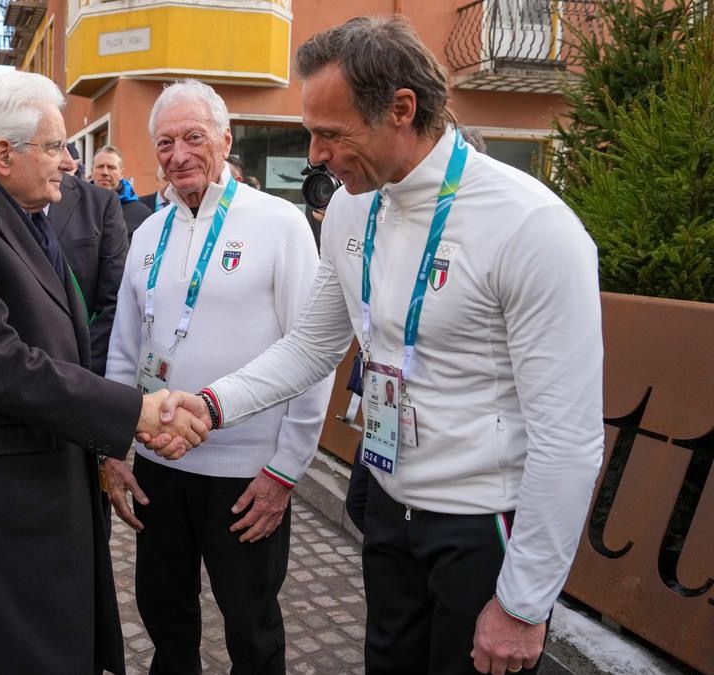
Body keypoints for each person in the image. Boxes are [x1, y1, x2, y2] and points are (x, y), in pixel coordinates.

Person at [154, 16, 605, 675]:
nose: (314, 155)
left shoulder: (530, 226)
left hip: (481, 523)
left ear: (401, 109)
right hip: (390, 508)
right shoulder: (351, 207)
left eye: (331, 134)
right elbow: (311, 347)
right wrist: (211, 404)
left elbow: (569, 436)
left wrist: (525, 601)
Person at [0, 70, 208, 674]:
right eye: (56, 146)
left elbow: (66, 342)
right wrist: (132, 411)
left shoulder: (21, 212)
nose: (68, 161)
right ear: (3, 155)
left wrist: (101, 441)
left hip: (41, 490)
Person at [102, 79, 334, 675]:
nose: (178, 154)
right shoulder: (147, 233)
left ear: (226, 140)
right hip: (159, 464)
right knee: (163, 613)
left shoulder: (280, 224)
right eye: (165, 142)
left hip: (246, 474)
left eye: (193, 137)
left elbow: (312, 353)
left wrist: (286, 470)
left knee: (251, 626)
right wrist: (114, 448)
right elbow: (125, 348)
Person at [47, 164, 128, 376]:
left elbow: (113, 300)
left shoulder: (99, 203)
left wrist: (84, 371)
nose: (69, 162)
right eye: (53, 147)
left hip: (81, 369)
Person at [91, 144, 153, 238]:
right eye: (100, 166)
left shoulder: (141, 214)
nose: (105, 172)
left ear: (121, 173)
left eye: (111, 167)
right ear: (92, 171)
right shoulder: (78, 206)